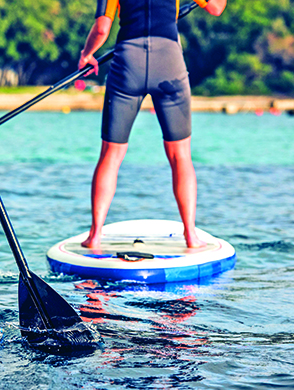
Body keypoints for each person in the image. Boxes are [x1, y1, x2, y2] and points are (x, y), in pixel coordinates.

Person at [77, 0, 226, 249]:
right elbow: (216, 7)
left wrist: (87, 54)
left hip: (128, 62)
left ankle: (94, 235)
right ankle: (191, 235)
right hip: (169, 62)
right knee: (181, 156)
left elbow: (102, 29)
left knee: (111, 155)